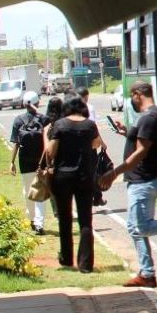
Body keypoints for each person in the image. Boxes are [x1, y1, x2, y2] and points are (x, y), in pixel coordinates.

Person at [99, 81, 157, 288]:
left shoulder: (148, 118)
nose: (131, 101)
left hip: (143, 180)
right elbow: (144, 142)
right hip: (141, 180)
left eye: (131, 96)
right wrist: (126, 131)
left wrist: (114, 172)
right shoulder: (154, 116)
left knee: (141, 227)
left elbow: (140, 152)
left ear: (138, 94)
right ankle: (147, 273)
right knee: (134, 228)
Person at [44, 95, 104, 273]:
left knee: (65, 217)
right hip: (85, 176)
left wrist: (47, 140)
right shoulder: (89, 125)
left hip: (63, 176)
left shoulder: (60, 125)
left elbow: (51, 152)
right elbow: (97, 144)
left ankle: (66, 258)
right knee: (86, 220)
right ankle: (86, 264)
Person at [8, 90, 47, 234]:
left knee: (28, 191)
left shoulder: (18, 120)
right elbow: (49, 143)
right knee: (40, 192)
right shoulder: (43, 119)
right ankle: (39, 223)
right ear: (37, 103)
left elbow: (16, 143)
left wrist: (12, 162)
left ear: (24, 104)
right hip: (41, 162)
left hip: (25, 162)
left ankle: (32, 219)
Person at [79, 86, 106, 207]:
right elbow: (93, 127)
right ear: (86, 97)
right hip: (91, 145)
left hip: (78, 146)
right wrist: (102, 142)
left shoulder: (71, 109)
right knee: (94, 171)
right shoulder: (89, 108)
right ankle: (97, 197)